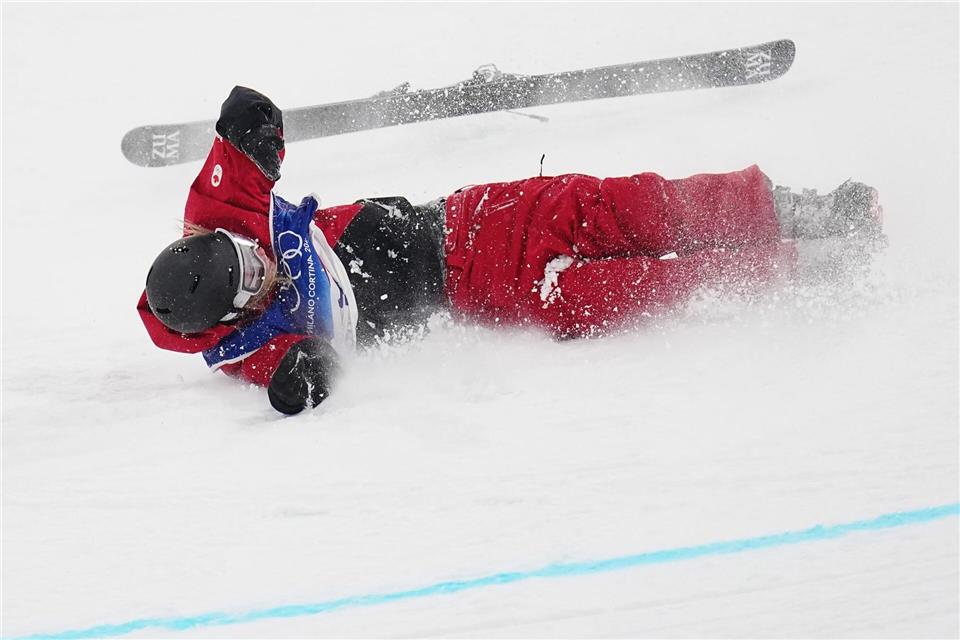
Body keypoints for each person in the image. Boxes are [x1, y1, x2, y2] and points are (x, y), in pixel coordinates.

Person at [138, 87, 884, 415]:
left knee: (637, 207)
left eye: (246, 252)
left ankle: (807, 210)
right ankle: (815, 266)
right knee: (642, 288)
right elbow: (302, 374)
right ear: (238, 312)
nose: (260, 262)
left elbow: (238, 136)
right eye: (251, 280)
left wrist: (251, 124)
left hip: (471, 221)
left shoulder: (216, 216)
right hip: (491, 293)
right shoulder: (246, 345)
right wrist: (298, 380)